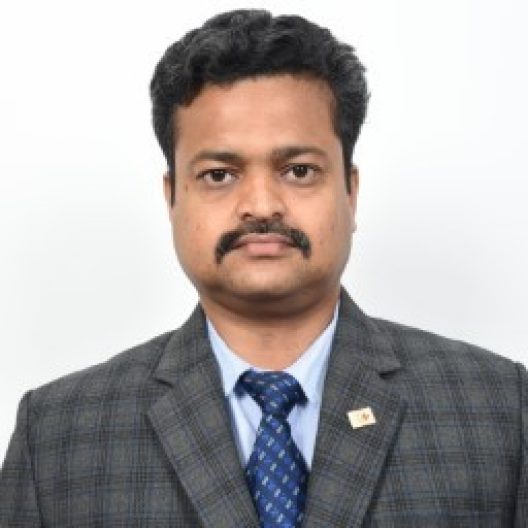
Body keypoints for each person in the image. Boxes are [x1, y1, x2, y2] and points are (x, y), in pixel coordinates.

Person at [1, 8, 526, 527]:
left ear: (351, 192)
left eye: (298, 170)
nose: (260, 205)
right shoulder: (56, 435)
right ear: (172, 198)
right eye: (219, 175)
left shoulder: (501, 409)